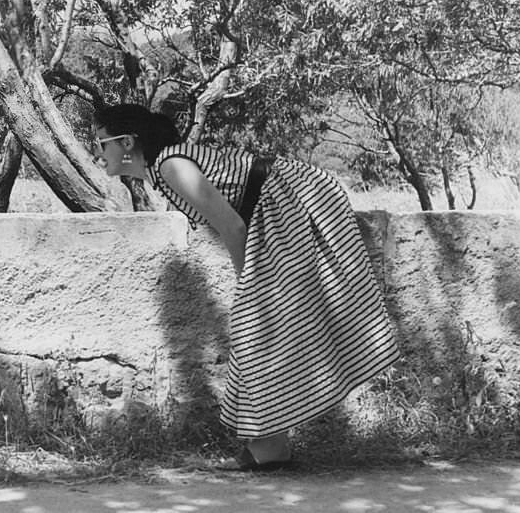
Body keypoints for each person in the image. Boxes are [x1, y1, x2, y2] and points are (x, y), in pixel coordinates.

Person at [92, 103, 400, 471]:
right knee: (263, 330)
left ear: (126, 142)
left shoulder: (170, 167)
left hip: (291, 200)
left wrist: (248, 283)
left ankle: (269, 447)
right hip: (277, 209)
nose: (97, 153)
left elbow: (233, 227)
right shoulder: (164, 169)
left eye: (100, 143)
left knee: (257, 325)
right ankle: (270, 446)